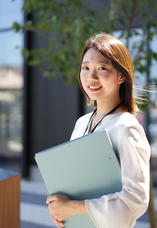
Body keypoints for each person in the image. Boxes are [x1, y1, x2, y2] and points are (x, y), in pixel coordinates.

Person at [46, 33, 150, 228]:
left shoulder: (126, 126)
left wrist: (72, 207)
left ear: (121, 76)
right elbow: (75, 181)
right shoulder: (82, 122)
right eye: (86, 68)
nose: (91, 77)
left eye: (102, 68)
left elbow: (136, 199)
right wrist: (60, 209)